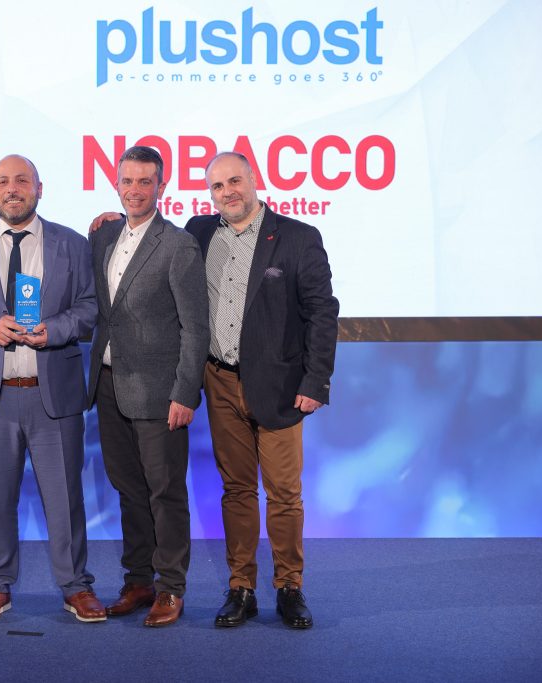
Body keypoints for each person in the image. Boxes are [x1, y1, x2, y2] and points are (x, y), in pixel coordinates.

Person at [0, 155, 104, 623]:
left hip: (53, 393)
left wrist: (57, 329)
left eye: (22, 180)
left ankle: (75, 585)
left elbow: (90, 307)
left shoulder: (71, 243)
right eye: (3, 182)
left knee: (65, 497)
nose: (12, 189)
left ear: (39, 188)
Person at [185, 152, 339, 629]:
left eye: (235, 180)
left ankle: (289, 587)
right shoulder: (198, 232)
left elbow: (322, 312)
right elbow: (154, 243)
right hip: (220, 381)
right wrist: (111, 223)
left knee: (284, 493)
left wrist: (315, 380)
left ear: (254, 180)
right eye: (217, 186)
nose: (227, 191)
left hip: (280, 386)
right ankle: (242, 588)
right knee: (236, 490)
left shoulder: (297, 237)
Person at [87, 146, 209, 627]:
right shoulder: (103, 235)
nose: (135, 190)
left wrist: (185, 392)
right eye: (128, 181)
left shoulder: (178, 245)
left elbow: (195, 328)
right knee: (128, 490)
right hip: (109, 386)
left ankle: (171, 587)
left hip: (160, 392)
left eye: (144, 182)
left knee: (165, 493)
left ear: (161, 186)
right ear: (116, 184)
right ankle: (138, 581)